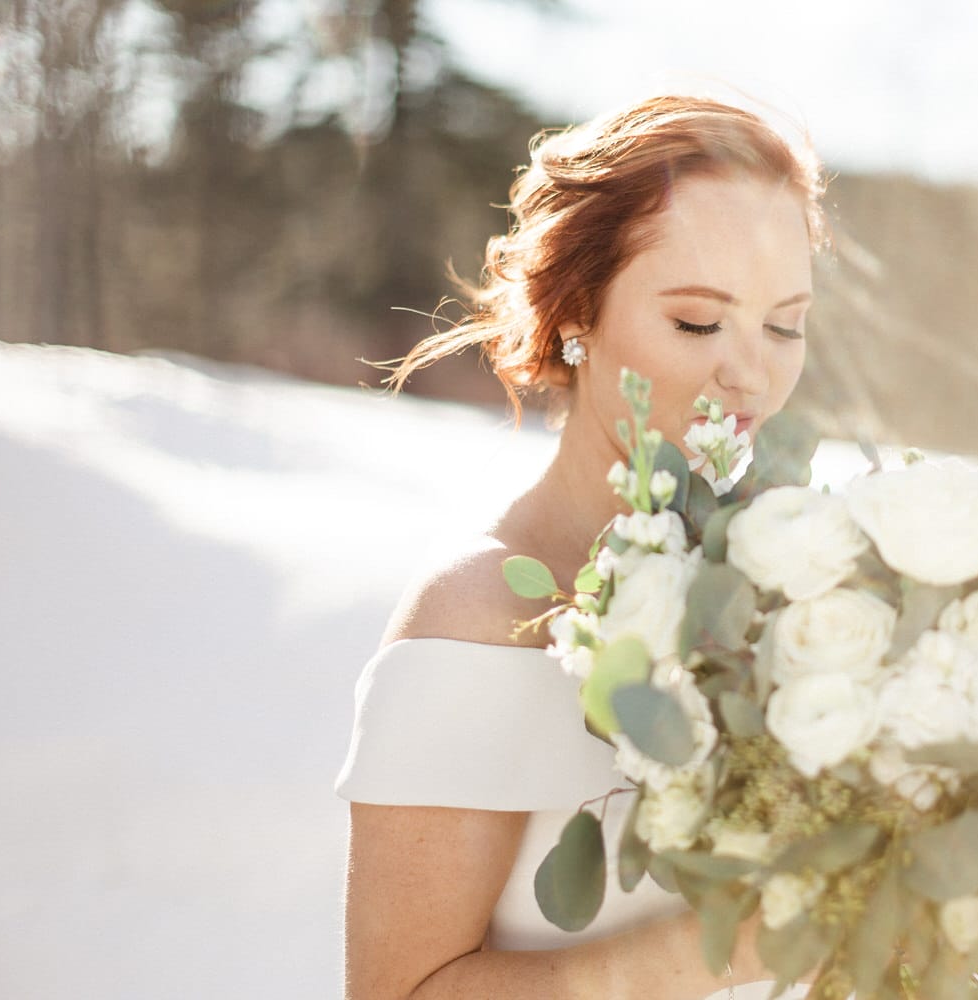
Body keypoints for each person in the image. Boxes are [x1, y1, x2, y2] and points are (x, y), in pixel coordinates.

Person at [335, 95, 829, 1000]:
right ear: (577, 312)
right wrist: (722, 951)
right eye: (697, 321)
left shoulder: (810, 594)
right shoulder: (478, 620)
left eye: (784, 324)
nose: (751, 372)